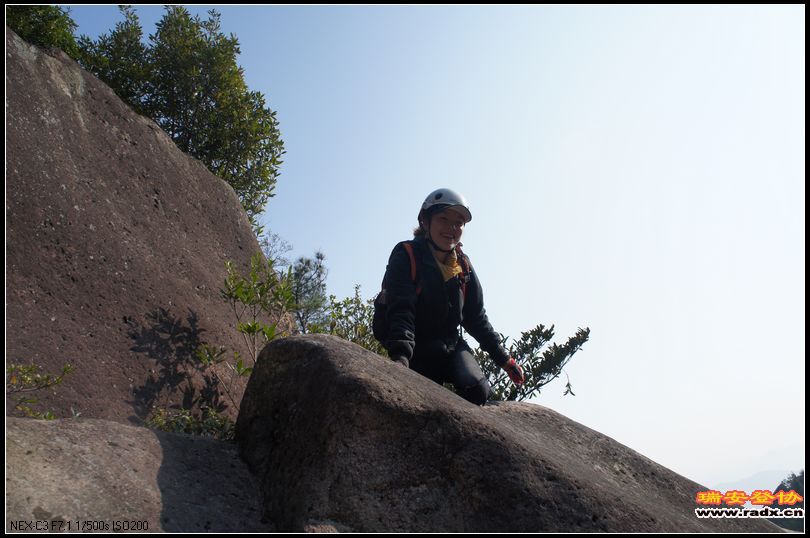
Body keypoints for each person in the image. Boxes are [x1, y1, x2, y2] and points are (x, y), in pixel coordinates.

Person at [377, 188, 525, 405]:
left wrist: (505, 360)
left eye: (459, 223)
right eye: (443, 219)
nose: (452, 228)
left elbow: (475, 317)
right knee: (422, 396)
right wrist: (401, 359)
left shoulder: (462, 264)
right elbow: (402, 309)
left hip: (449, 344)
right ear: (425, 222)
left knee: (478, 391)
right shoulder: (407, 255)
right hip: (417, 347)